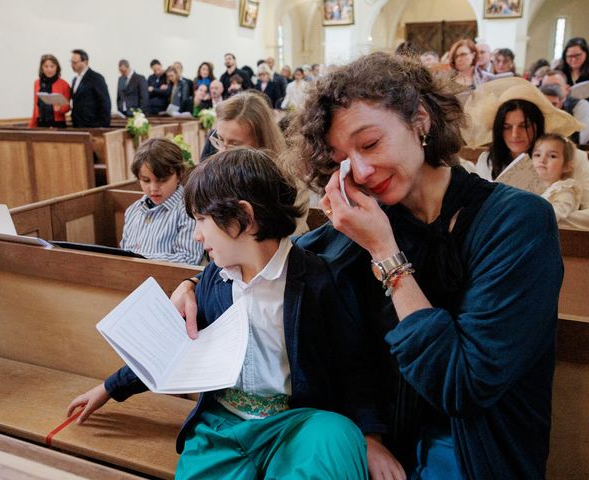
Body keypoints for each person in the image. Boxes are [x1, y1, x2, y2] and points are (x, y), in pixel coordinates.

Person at [172, 52, 565, 479]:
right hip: (387, 431)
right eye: (343, 157)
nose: (361, 169)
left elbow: (461, 386)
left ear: (420, 119)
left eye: (371, 143)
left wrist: (385, 251)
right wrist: (196, 282)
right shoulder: (371, 220)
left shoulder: (518, 221)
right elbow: (276, 258)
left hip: (474, 445)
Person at [66, 147, 380, 480]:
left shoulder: (318, 280)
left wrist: (373, 438)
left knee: (335, 436)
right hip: (222, 424)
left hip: (295, 422)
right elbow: (169, 350)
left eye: (202, 220)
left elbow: (357, 364)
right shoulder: (214, 279)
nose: (197, 234)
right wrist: (107, 389)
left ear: (241, 217)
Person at [200, 91, 310, 235]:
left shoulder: (290, 184)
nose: (222, 153)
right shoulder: (214, 175)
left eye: (234, 145)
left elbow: (290, 242)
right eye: (219, 140)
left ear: (260, 143)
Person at [461, 77, 584, 180]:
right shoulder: (488, 161)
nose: (515, 134)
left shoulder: (572, 157)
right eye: (507, 127)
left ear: (538, 125)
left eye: (524, 126)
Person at [120, 137, 203, 264]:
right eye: (146, 181)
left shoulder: (188, 210)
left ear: (179, 174)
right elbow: (124, 252)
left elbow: (189, 259)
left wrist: (142, 260)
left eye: (162, 180)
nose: (153, 188)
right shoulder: (133, 210)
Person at [532, 133, 581, 222]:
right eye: (537, 155)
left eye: (552, 156)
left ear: (566, 166)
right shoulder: (529, 185)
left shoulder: (565, 190)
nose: (542, 160)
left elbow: (556, 213)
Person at [541, 70, 589, 145]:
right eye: (546, 86)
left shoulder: (580, 106)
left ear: (567, 89)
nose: (551, 89)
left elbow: (580, 140)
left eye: (556, 85)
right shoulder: (537, 105)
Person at [70, 49, 111, 128]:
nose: (72, 65)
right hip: (77, 124)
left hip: (92, 124)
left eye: (75, 63)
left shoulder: (96, 78)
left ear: (85, 62)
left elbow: (105, 102)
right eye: (71, 62)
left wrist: (104, 125)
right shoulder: (75, 80)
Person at [29, 54, 70, 128]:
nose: (49, 69)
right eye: (46, 66)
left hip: (57, 124)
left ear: (57, 67)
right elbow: (35, 105)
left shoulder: (64, 84)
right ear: (42, 68)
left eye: (52, 66)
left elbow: (67, 107)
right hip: (41, 123)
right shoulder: (37, 83)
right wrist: (31, 126)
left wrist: (60, 108)